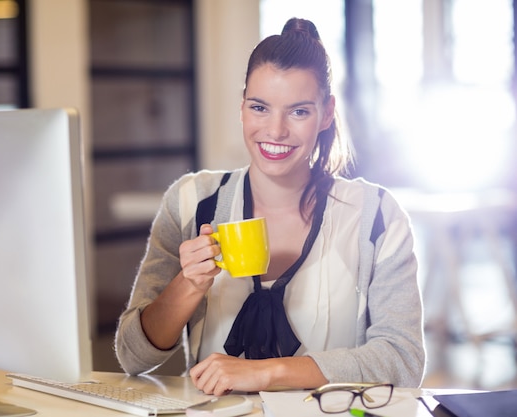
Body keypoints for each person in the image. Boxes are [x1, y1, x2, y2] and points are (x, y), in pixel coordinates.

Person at [115, 17, 426, 395]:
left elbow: (403, 359)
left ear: (326, 113)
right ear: (242, 107)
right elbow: (132, 357)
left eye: (298, 111)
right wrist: (188, 284)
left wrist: (267, 373)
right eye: (260, 108)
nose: (275, 131)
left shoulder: (375, 215)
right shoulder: (190, 202)